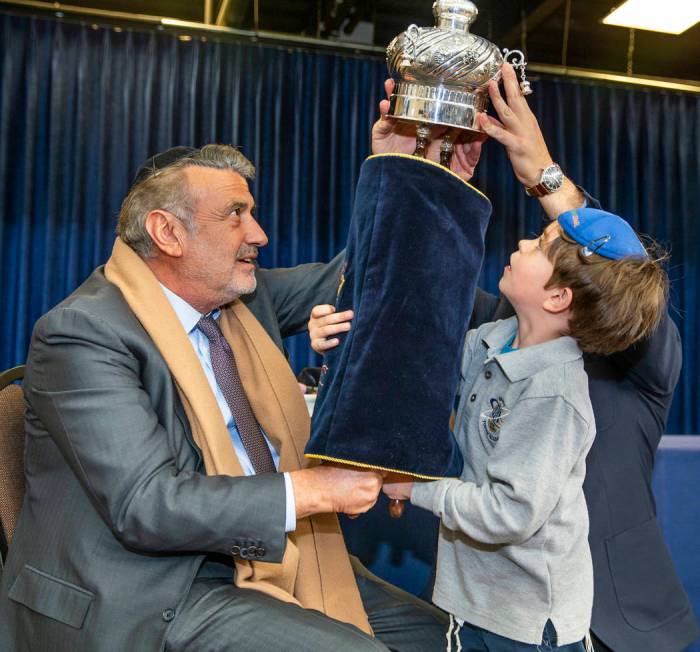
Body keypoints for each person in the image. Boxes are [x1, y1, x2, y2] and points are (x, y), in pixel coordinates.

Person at [309, 64, 700, 652]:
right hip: (484, 607)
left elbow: (623, 272)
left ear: (564, 291)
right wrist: (417, 182)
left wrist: (545, 176)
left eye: (545, 242)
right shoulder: (501, 332)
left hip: (615, 624)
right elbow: (407, 294)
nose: (525, 242)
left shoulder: (633, 351)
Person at [0, 144, 451, 652]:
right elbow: (147, 506)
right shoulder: (82, 333)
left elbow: (369, 273)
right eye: (236, 215)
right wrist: (318, 490)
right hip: (150, 588)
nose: (259, 234)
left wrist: (410, 173)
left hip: (268, 553)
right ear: (168, 232)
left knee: (445, 638)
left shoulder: (245, 298)